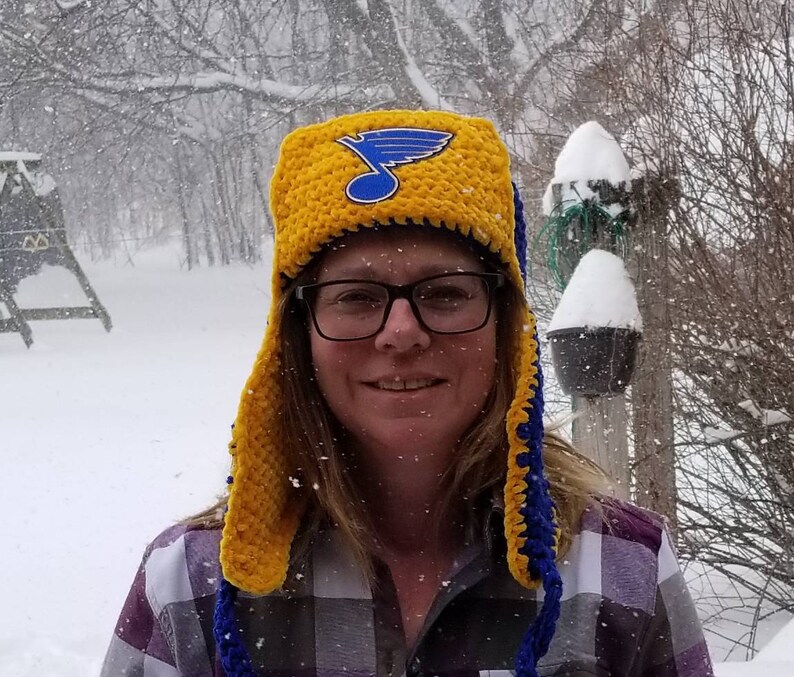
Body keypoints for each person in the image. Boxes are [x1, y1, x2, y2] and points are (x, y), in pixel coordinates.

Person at [101, 110, 714, 677]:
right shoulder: (191, 586)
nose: (401, 332)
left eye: (445, 292)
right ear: (297, 335)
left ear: (506, 328)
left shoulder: (622, 571)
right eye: (356, 296)